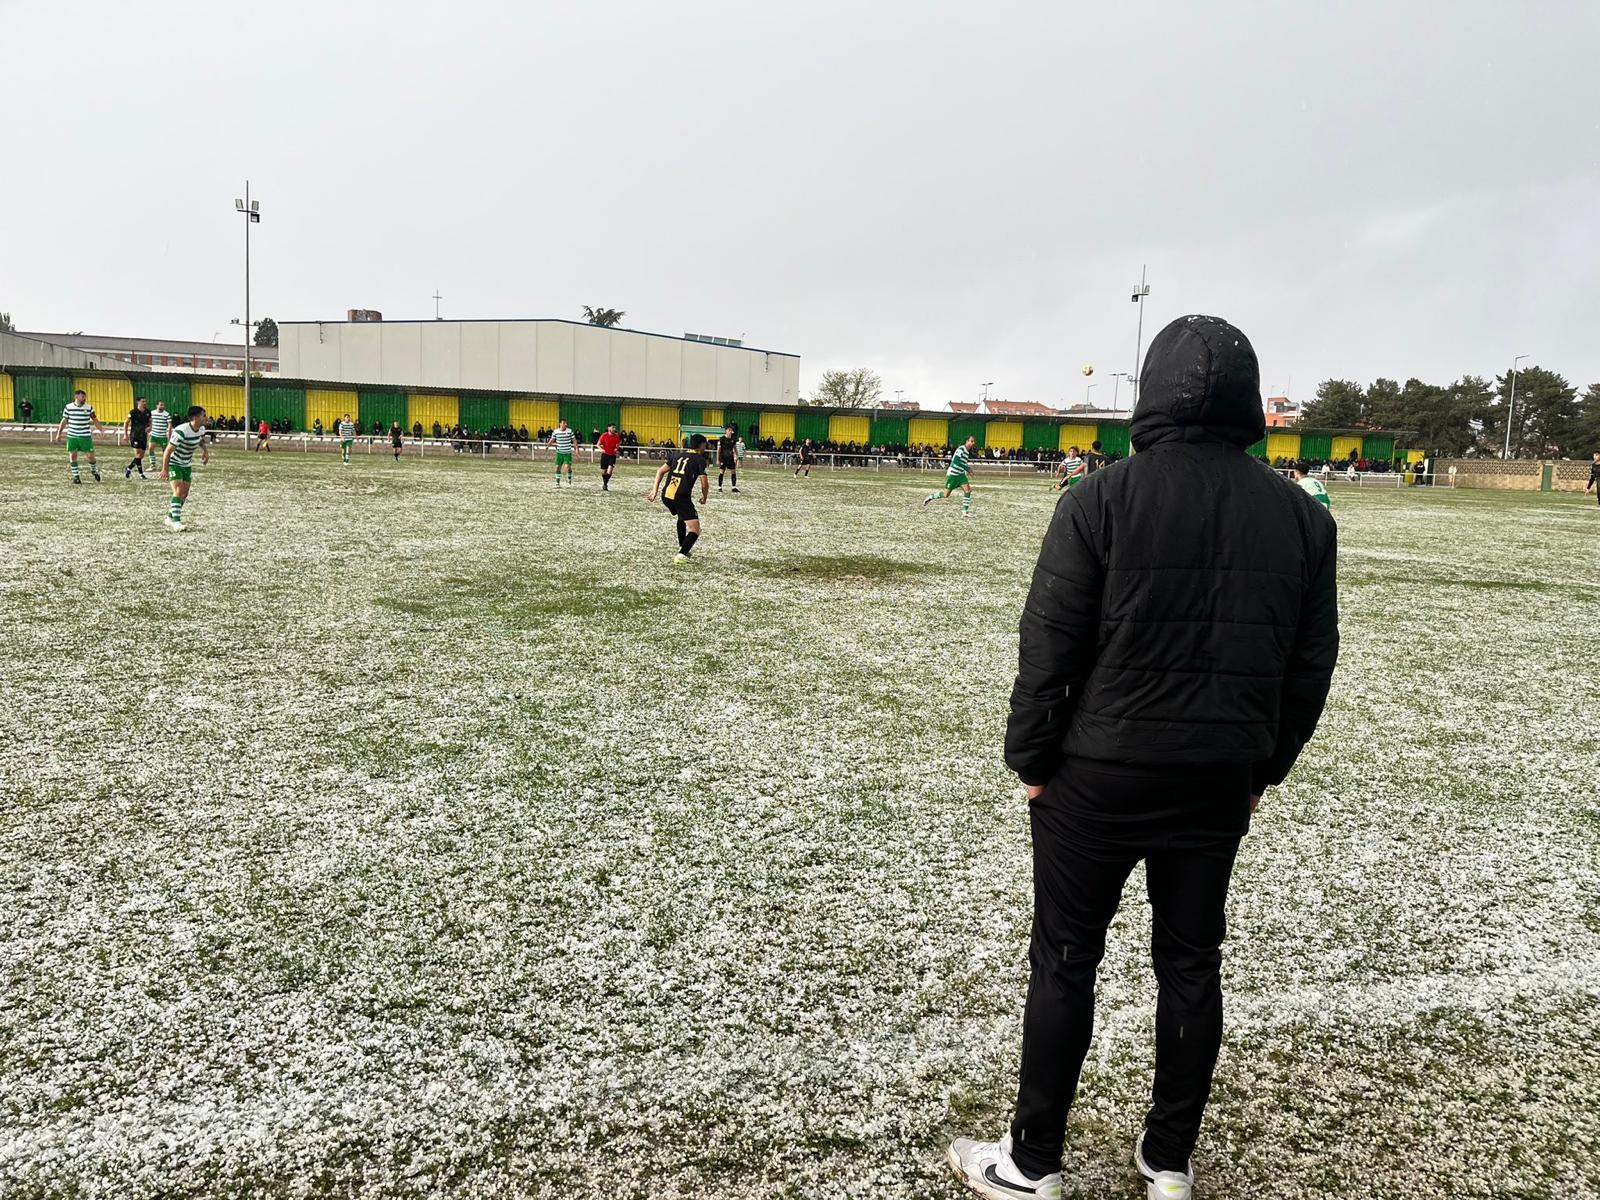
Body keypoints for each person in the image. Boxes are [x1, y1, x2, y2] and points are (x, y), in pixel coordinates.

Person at [947, 315, 1338, 1200]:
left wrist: (1033, 762)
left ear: (1153, 392)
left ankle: (1036, 1163)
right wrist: (1259, 770)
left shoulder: (1098, 497)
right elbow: (1309, 669)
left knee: (1066, 960)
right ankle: (1169, 1161)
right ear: (1248, 402)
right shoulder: (1301, 517)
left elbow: (1048, 646)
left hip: (1099, 771)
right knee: (1191, 964)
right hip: (1210, 777)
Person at [647, 432, 711, 564]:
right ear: (701, 445)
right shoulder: (699, 459)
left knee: (682, 517)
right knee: (695, 529)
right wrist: (704, 497)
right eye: (705, 444)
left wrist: (655, 491)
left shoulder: (677, 455)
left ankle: (683, 546)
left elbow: (660, 471)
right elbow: (704, 482)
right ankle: (681, 555)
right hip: (681, 496)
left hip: (667, 495)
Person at [160, 405, 210, 530]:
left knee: (184, 494)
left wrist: (205, 451)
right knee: (178, 490)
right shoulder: (181, 431)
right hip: (174, 463)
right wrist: (165, 469)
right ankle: (176, 522)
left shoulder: (200, 429)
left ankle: (170, 517)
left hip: (186, 464)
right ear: (195, 417)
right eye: (204, 415)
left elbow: (199, 440)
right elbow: (168, 451)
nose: (206, 418)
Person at [54, 389, 104, 483]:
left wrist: (101, 429)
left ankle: (94, 470)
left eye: (85, 397)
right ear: (76, 397)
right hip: (72, 436)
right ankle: (76, 477)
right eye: (82, 397)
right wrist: (59, 433)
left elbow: (95, 419)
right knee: (73, 456)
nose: (84, 398)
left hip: (85, 436)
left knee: (90, 456)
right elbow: (64, 421)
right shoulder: (68, 407)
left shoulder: (89, 408)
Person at [923, 435, 977, 516]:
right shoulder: (961, 449)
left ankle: (964, 512)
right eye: (971, 441)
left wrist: (966, 470)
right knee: (946, 495)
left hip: (961, 475)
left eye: (973, 441)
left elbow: (962, 463)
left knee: (968, 491)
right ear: (967, 441)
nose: (973, 443)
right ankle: (931, 497)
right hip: (953, 474)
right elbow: (956, 461)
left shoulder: (967, 451)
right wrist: (967, 469)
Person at [123, 396, 152, 481]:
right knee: (138, 455)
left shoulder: (148, 412)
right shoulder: (133, 412)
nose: (145, 403)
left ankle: (129, 468)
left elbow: (150, 421)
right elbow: (126, 422)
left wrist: (150, 427)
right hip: (135, 436)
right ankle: (141, 474)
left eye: (145, 401)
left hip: (143, 435)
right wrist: (125, 434)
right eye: (143, 401)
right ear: (138, 402)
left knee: (141, 456)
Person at [549, 418, 577, 487]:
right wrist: (547, 446)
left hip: (567, 453)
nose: (565, 424)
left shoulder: (569, 431)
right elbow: (552, 439)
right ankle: (557, 483)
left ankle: (569, 480)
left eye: (566, 423)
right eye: (564, 423)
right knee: (558, 467)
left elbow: (574, 440)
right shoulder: (555, 431)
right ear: (560, 424)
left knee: (568, 467)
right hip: (559, 453)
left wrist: (577, 449)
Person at [597, 423, 622, 491]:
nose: (614, 429)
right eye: (613, 427)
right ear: (609, 428)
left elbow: (619, 442)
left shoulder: (616, 436)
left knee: (610, 469)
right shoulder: (604, 435)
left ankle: (605, 484)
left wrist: (616, 448)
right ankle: (605, 483)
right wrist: (601, 449)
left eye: (614, 427)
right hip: (605, 455)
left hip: (612, 455)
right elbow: (598, 444)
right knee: (604, 471)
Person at [717, 424, 742, 493]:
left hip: (730, 458)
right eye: (729, 430)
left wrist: (737, 456)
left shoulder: (733, 439)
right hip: (723, 458)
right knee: (722, 472)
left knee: (733, 471)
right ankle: (719, 487)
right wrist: (718, 459)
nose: (730, 431)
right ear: (726, 431)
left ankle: (733, 487)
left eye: (731, 430)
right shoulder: (721, 439)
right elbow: (718, 450)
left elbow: (735, 448)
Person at [149, 399, 173, 466]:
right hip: (154, 435)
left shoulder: (167, 414)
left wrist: (169, 433)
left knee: (165, 451)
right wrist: (149, 428)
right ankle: (152, 464)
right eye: (161, 405)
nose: (162, 406)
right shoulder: (152, 413)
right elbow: (150, 421)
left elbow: (169, 424)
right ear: (157, 405)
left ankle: (167, 464)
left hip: (163, 436)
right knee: (150, 449)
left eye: (163, 405)